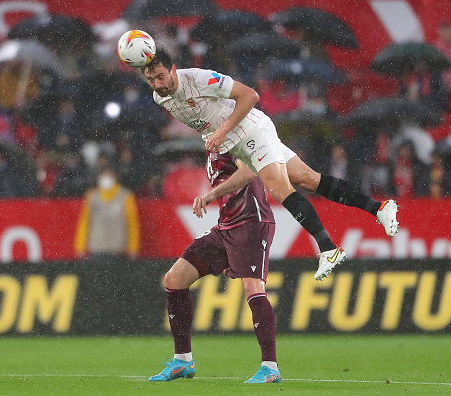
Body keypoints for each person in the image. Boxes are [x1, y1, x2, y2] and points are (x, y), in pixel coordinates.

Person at [142, 49, 399, 280]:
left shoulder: (198, 78)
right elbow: (245, 171)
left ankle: (328, 249)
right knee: (309, 179)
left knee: (278, 189)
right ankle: (379, 208)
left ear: (173, 69)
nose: (158, 84)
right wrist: (213, 186)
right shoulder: (159, 98)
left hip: (251, 130)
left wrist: (221, 132)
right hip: (238, 144)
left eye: (161, 76)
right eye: (151, 80)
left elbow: (250, 95)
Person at [149, 152, 281, 384]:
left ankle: (270, 367)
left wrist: (211, 194)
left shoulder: (234, 138)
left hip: (251, 223)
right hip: (225, 226)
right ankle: (182, 361)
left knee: (252, 285)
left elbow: (249, 171)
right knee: (175, 278)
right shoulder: (212, 145)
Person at [75, 167, 140, 261]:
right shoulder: (92, 196)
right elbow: (85, 222)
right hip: (97, 247)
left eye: (109, 175)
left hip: (117, 248)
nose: (106, 178)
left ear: (115, 176)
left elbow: (132, 223)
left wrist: (133, 247)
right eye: (104, 175)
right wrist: (80, 246)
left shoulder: (126, 196)